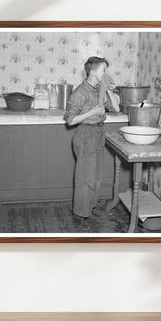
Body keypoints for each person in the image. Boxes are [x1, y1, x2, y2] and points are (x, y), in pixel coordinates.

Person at [64, 56, 115, 218]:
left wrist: (108, 89)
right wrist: (93, 112)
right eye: (103, 70)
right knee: (86, 176)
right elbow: (70, 120)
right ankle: (81, 212)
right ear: (92, 72)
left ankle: (89, 207)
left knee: (96, 175)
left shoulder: (98, 89)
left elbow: (114, 106)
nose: (105, 73)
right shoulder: (80, 92)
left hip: (98, 132)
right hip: (86, 134)